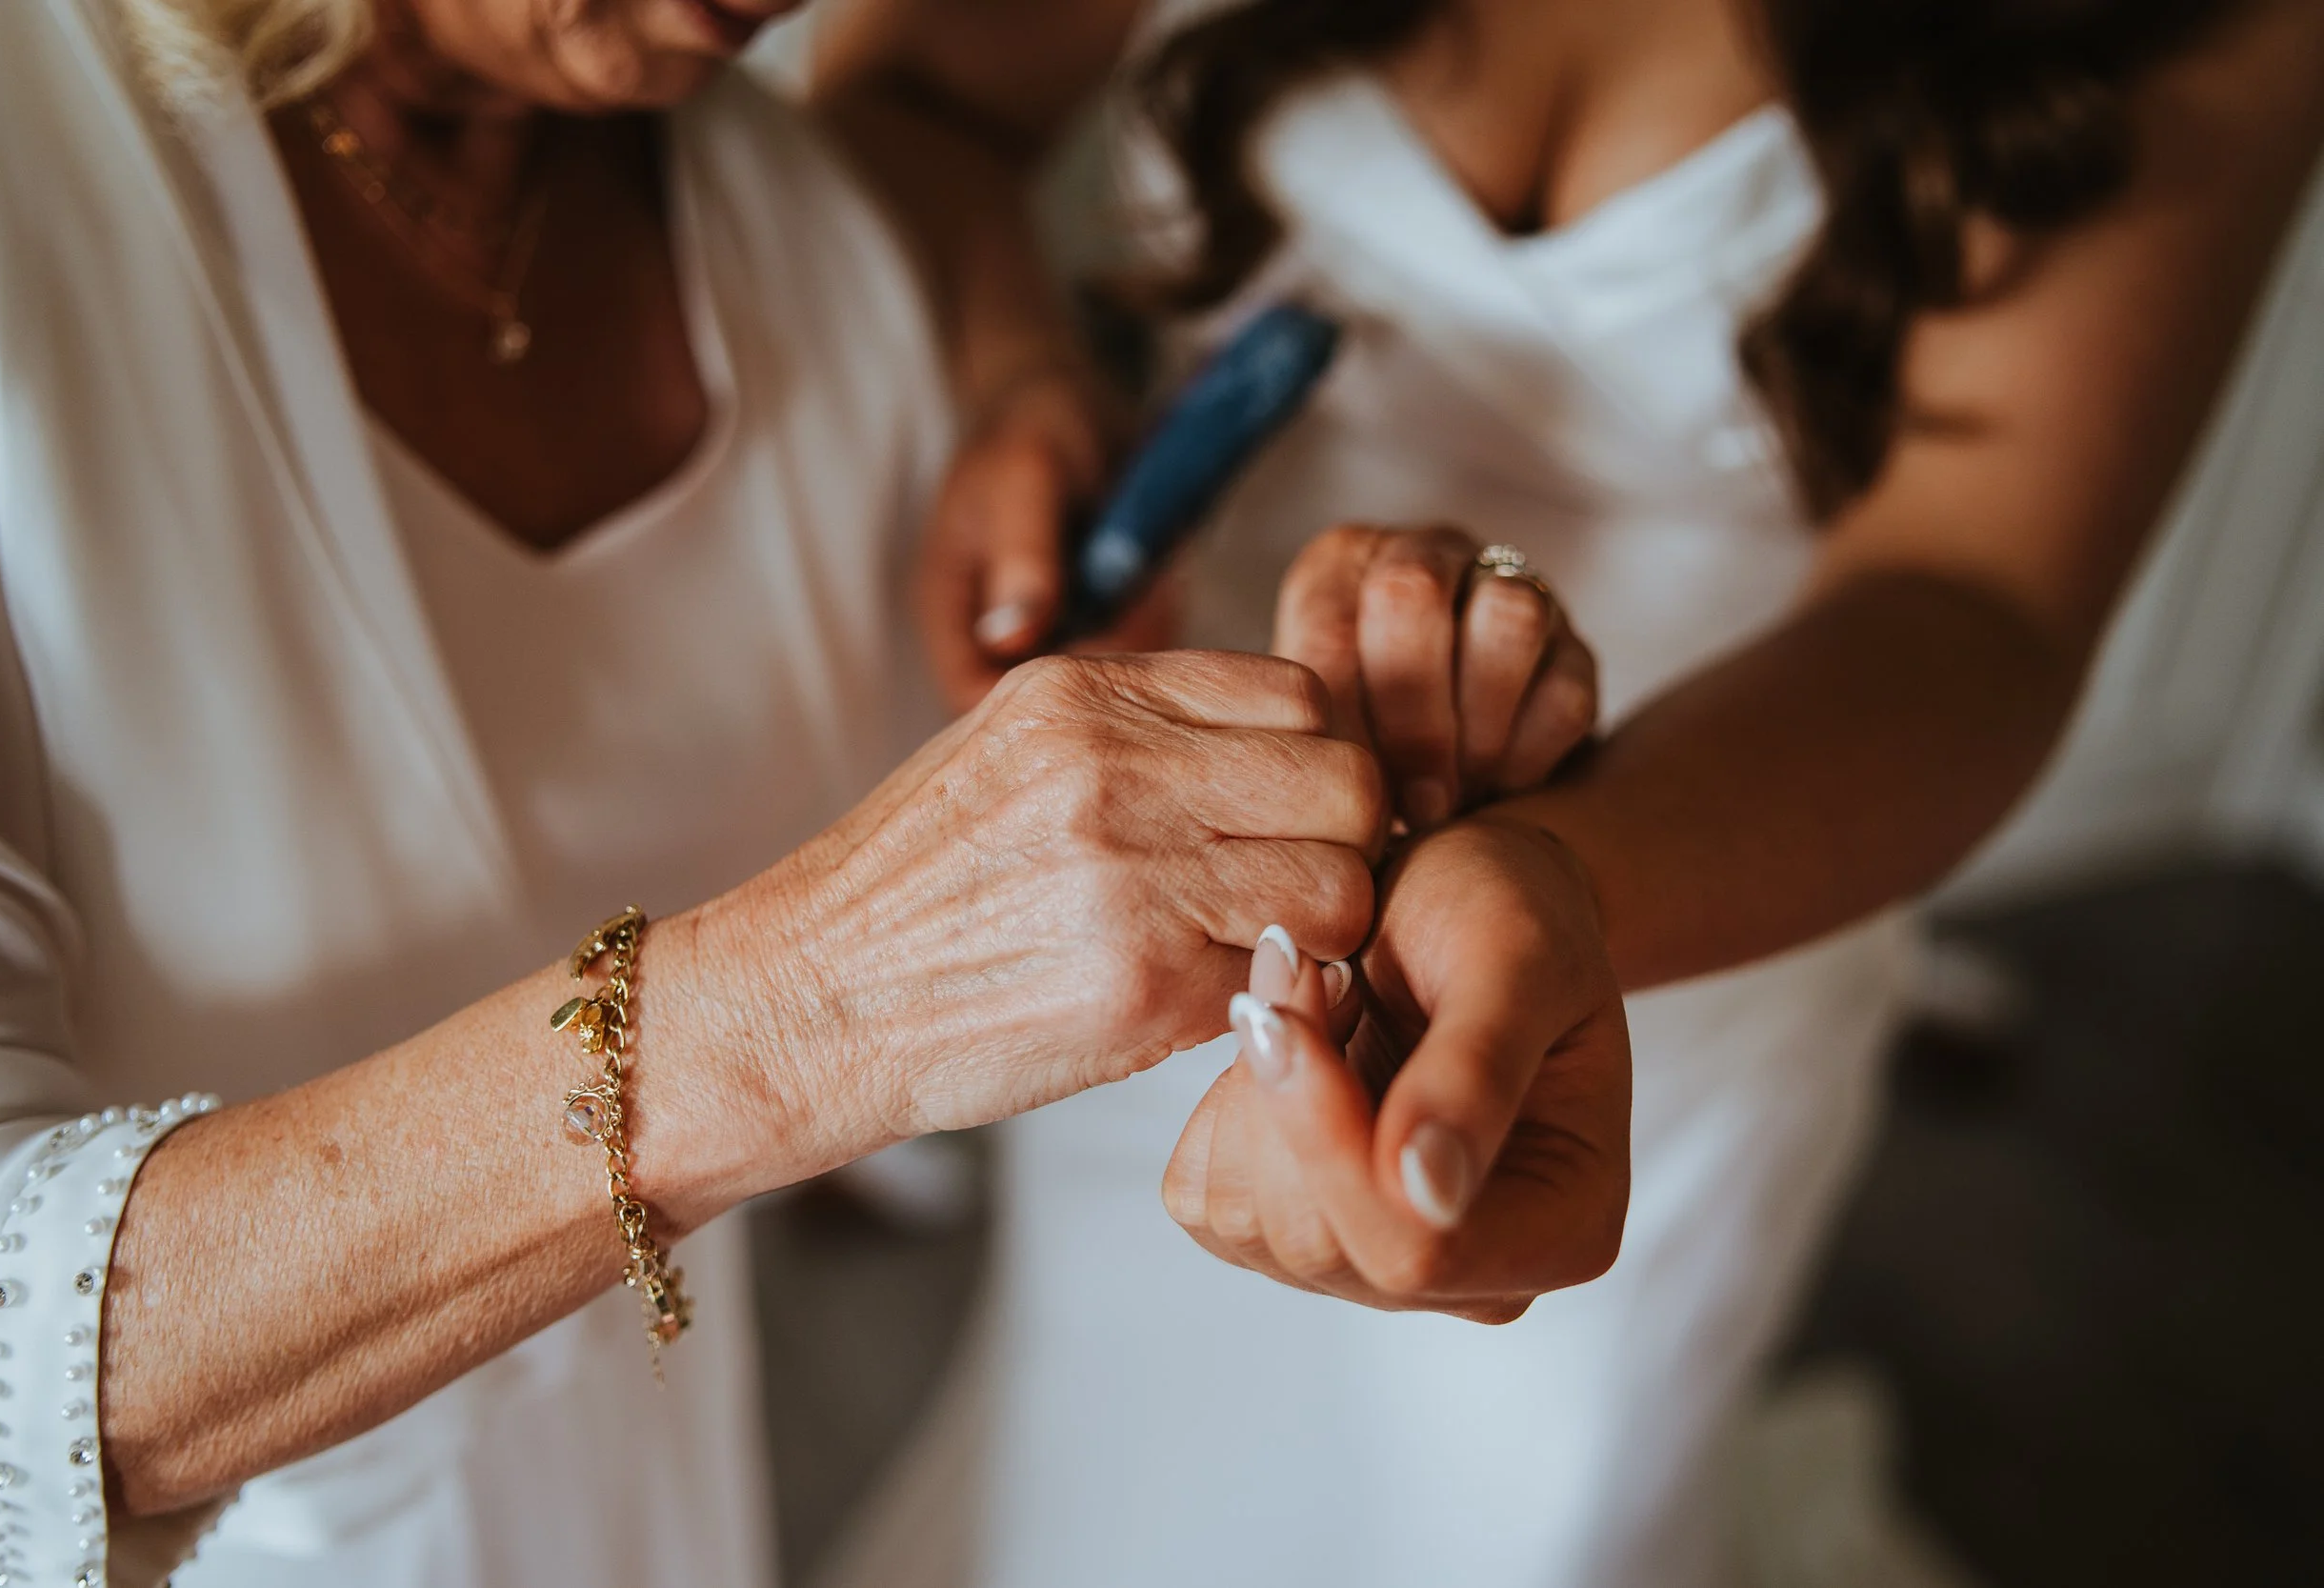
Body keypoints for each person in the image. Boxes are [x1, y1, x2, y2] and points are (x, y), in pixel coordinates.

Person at [0, 2, 1630, 1585]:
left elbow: (968, 833)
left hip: (645, 1492)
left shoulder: (807, 246)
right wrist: (799, 1014)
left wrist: (1376, 734)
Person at [811, 0, 2324, 1583]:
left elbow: (1980, 607)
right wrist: (1017, 373)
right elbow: (913, 101)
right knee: (1109, 1461)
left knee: (1524, 1515)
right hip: (1219, 881)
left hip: (1684, 903)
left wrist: (1561, 877)